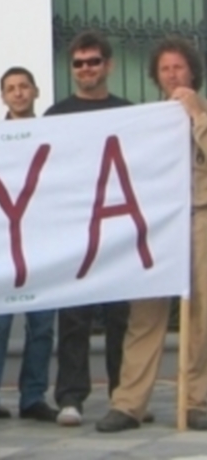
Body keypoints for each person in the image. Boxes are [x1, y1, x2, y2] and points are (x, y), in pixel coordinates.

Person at [96, 37, 207, 432]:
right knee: (144, 314)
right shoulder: (146, 119)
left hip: (199, 216)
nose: (172, 75)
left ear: (192, 71)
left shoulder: (202, 112)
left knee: (201, 317)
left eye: (178, 67)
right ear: (155, 76)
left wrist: (196, 114)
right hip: (156, 223)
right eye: (165, 69)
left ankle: (196, 399)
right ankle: (129, 404)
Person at [45, 31, 131, 427]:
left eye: (93, 61)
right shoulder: (56, 116)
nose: (85, 69)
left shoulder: (129, 114)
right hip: (73, 229)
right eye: (78, 63)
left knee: (120, 318)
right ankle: (70, 397)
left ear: (108, 65)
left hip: (118, 229)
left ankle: (124, 396)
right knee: (74, 317)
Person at [0, 67, 58, 427]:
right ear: (2, 97)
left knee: (42, 326)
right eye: (11, 88)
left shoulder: (54, 135)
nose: (18, 93)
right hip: (2, 245)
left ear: (36, 91)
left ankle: (33, 397)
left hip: (45, 243)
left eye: (24, 87)